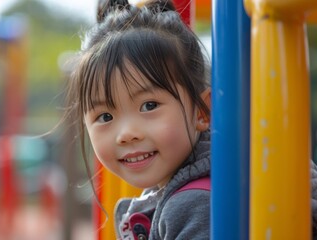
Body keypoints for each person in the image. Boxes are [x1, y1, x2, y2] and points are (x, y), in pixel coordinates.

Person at [62, 0, 317, 239]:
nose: (127, 133)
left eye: (149, 106)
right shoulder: (173, 186)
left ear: (202, 112)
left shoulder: (194, 204)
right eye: (105, 116)